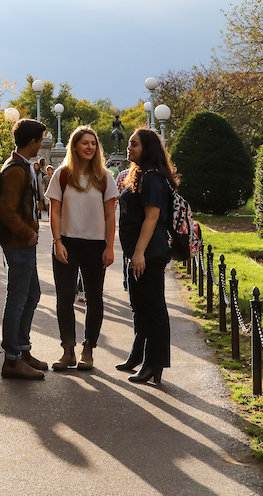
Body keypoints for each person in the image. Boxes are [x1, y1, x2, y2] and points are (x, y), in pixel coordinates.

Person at [45, 126, 118, 371]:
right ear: (75, 146)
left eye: (93, 144)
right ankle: (68, 350)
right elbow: (54, 210)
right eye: (84, 143)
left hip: (96, 244)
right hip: (67, 242)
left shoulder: (105, 177)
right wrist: (57, 242)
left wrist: (109, 247)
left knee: (94, 298)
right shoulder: (62, 174)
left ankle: (88, 349)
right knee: (64, 298)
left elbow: (110, 215)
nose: (89, 147)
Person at [116, 127, 178, 386]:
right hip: (140, 253)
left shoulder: (152, 179)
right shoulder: (141, 175)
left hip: (149, 253)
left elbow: (152, 218)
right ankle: (139, 356)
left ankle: (154, 363)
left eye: (134, 144)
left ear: (148, 149)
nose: (129, 148)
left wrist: (139, 252)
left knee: (153, 308)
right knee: (141, 306)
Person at [0, 118, 48, 380]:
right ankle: (12, 359)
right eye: (40, 140)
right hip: (19, 244)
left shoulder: (22, 165)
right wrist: (27, 232)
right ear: (32, 142)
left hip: (23, 243)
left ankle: (22, 349)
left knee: (31, 294)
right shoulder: (16, 169)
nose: (41, 144)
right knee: (18, 299)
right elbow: (6, 210)